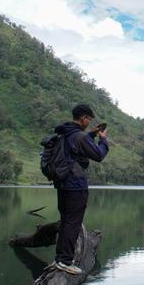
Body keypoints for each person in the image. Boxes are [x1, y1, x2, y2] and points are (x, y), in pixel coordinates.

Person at [52, 104, 109, 274]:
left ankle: (59, 259)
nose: (88, 122)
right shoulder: (79, 136)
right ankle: (65, 261)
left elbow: (78, 144)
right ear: (83, 118)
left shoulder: (65, 133)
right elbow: (98, 155)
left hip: (62, 184)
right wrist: (103, 140)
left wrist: (91, 133)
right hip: (75, 185)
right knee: (73, 223)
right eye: (88, 119)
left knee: (66, 221)